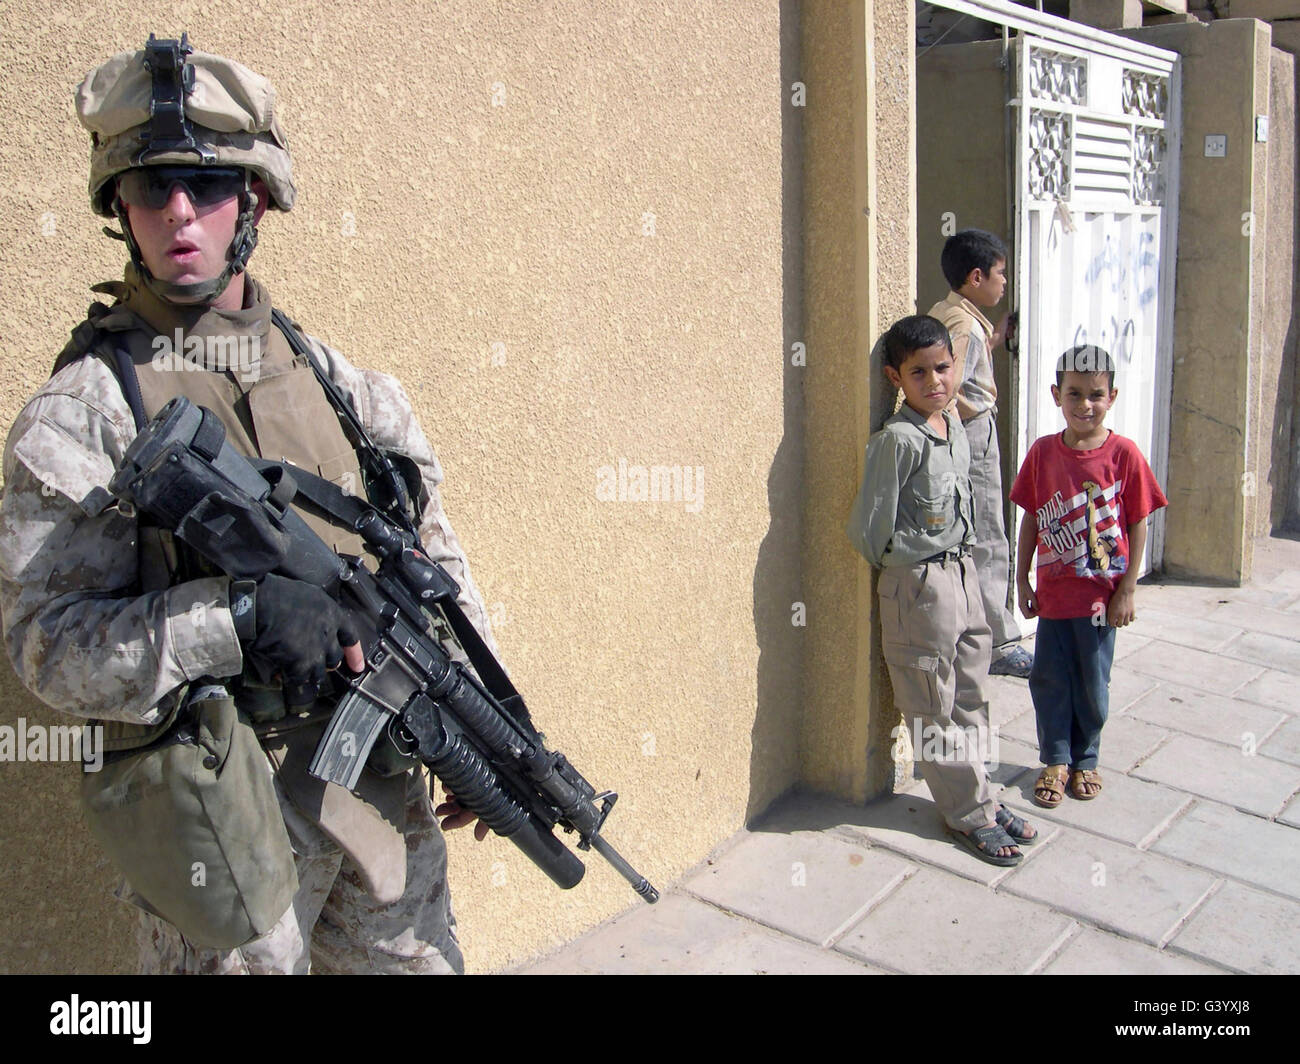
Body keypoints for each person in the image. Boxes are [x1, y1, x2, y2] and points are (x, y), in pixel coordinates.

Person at [0, 35, 493, 974]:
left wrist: (476, 725)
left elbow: (441, 570)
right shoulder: (85, 414)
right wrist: (232, 619)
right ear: (120, 209)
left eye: (208, 185)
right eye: (152, 189)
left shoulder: (345, 386)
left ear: (255, 201)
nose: (179, 213)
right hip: (220, 825)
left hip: (377, 794)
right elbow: (46, 649)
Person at [847, 315, 1036, 866]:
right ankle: (965, 815)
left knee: (972, 696)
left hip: (964, 577)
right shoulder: (897, 442)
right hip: (920, 587)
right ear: (895, 378)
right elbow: (868, 530)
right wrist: (911, 570)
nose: (935, 382)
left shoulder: (951, 426)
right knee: (933, 706)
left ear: (957, 365)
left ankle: (981, 794)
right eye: (919, 372)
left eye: (943, 367)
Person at [1009, 346, 1168, 807]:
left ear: (1112, 396)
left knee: (1092, 683)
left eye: (1095, 395)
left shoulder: (1125, 455)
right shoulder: (1042, 453)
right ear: (1056, 394)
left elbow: (1138, 520)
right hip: (1055, 599)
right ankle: (1055, 759)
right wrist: (1022, 579)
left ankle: (1087, 759)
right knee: (1049, 678)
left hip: (1101, 601)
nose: (1084, 405)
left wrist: (1128, 590)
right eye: (1074, 394)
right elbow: (1032, 518)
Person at [926, 229, 1032, 678]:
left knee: (968, 534)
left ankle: (974, 629)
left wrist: (996, 336)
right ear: (976, 277)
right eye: (999, 274)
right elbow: (948, 389)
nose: (1003, 282)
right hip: (972, 434)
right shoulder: (965, 325)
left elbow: (962, 360)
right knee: (989, 534)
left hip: (962, 433)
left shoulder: (948, 312)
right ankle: (1000, 642)